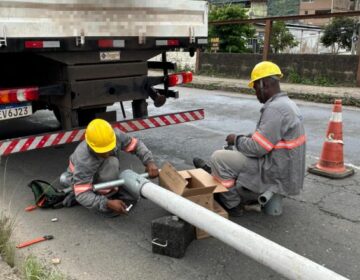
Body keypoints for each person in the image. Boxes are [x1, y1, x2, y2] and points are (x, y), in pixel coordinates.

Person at [193, 61, 306, 217]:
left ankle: (232, 204)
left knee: (219, 158)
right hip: (284, 167)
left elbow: (257, 148)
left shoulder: (276, 109)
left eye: (255, 89)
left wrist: (236, 140)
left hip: (274, 170)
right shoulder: (286, 104)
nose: (255, 94)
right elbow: (267, 139)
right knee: (240, 148)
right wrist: (246, 138)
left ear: (264, 85)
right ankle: (214, 175)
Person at [59, 118, 159, 216]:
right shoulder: (84, 158)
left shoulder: (115, 136)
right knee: (69, 181)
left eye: (108, 149)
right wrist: (106, 203)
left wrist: (149, 162)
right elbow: (82, 193)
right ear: (91, 146)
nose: (107, 153)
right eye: (102, 152)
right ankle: (106, 194)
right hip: (83, 176)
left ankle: (103, 191)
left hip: (94, 173)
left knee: (111, 162)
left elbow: (135, 145)